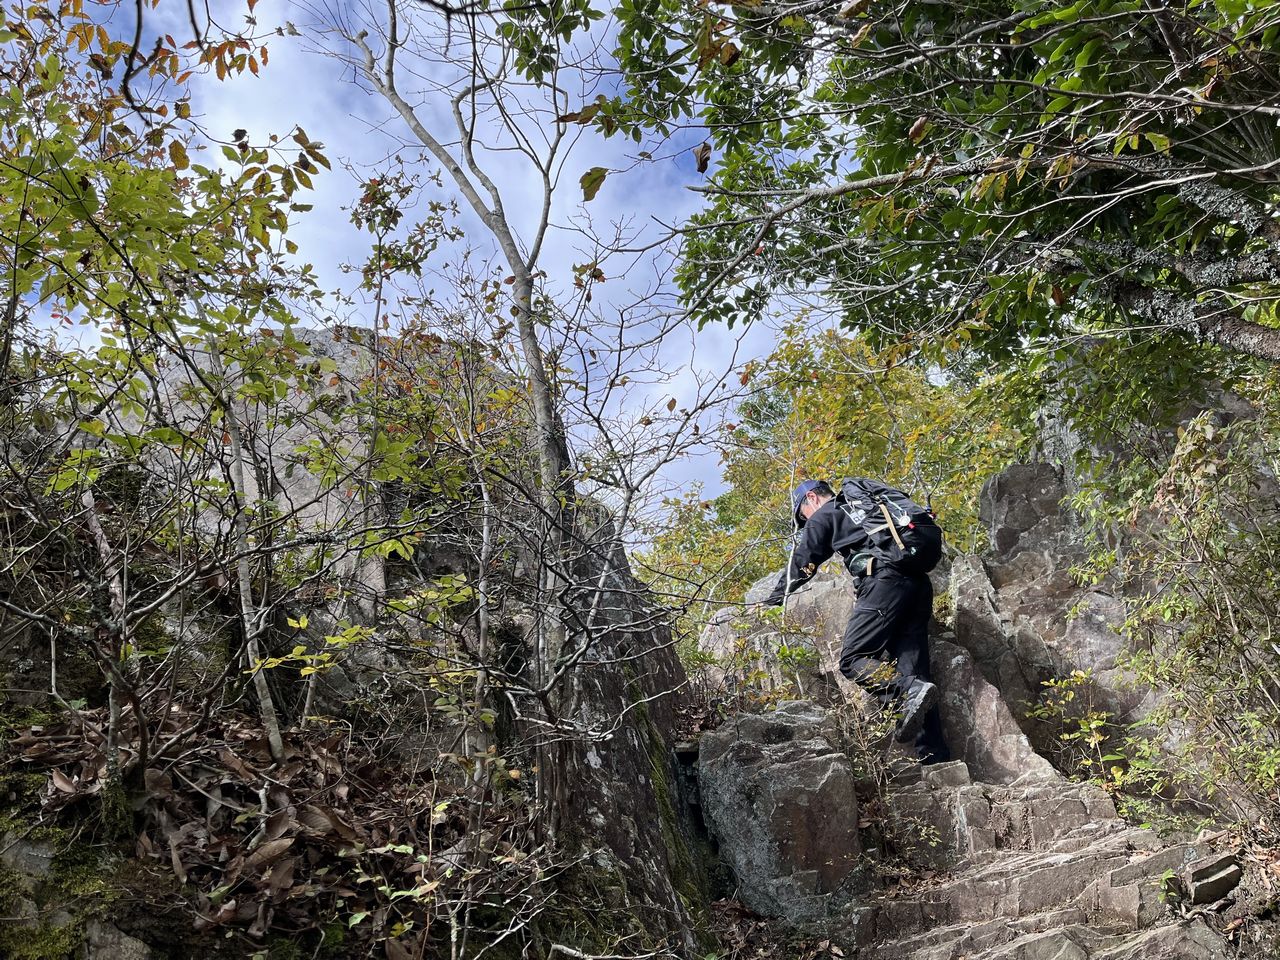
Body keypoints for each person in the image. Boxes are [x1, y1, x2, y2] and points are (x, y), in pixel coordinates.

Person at [763, 479, 949, 763]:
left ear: (811, 498)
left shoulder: (826, 514)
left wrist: (774, 599)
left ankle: (907, 691)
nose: (806, 520)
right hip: (917, 583)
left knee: (853, 658)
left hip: (884, 582)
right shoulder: (865, 508)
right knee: (915, 668)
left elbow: (804, 561)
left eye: (803, 515)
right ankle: (935, 758)